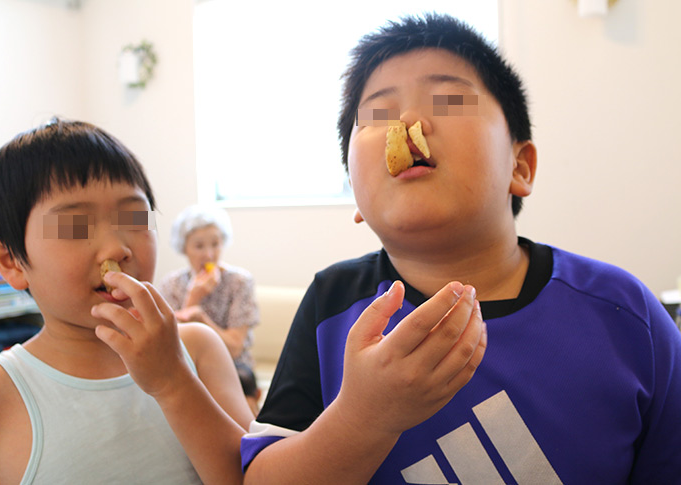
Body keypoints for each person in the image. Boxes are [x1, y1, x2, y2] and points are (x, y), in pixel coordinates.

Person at [240, 13, 681, 484]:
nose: (407, 123)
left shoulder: (624, 312)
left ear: (521, 166)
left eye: (447, 100)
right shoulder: (333, 305)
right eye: (377, 115)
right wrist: (362, 418)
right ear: (356, 195)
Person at [0, 119, 253, 484]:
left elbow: (253, 478)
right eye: (76, 226)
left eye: (134, 217)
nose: (116, 248)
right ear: (10, 261)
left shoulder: (198, 351)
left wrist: (173, 381)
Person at [160, 205, 259, 370]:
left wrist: (202, 319)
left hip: (234, 368)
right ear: (184, 248)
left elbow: (234, 349)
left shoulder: (240, 281)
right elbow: (168, 345)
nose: (209, 255)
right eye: (199, 246)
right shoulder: (170, 284)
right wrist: (193, 299)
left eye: (215, 244)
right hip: (187, 366)